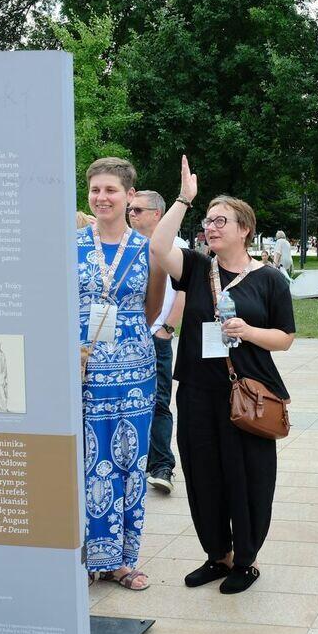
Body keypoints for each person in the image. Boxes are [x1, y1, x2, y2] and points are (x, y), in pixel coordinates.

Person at [150, 157, 296, 594]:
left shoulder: (269, 279)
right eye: (208, 221)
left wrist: (248, 331)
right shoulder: (197, 268)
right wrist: (183, 199)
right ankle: (218, 554)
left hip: (249, 391)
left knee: (248, 477)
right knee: (203, 476)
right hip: (198, 391)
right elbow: (158, 246)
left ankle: (246, 561)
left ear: (244, 229)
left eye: (221, 221)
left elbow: (285, 338)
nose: (211, 228)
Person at [79, 157, 165, 591]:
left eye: (110, 190)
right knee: (86, 461)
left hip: (134, 372)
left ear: (129, 196)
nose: (102, 198)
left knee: (129, 461)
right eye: (95, 189)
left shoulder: (148, 249)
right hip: (83, 370)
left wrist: (126, 342)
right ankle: (85, 559)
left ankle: (122, 562)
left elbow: (152, 307)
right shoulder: (72, 245)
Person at [128, 189, 188, 494]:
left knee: (159, 401)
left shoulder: (176, 247)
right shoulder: (125, 244)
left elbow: (183, 292)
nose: (132, 214)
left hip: (156, 337)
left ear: (157, 214)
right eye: (130, 209)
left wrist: (166, 328)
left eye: (138, 210)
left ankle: (162, 465)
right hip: (127, 337)